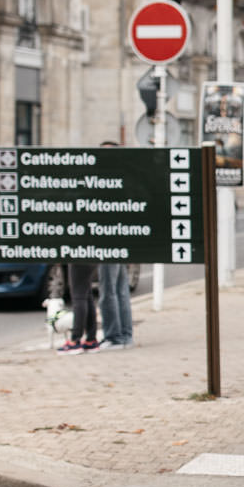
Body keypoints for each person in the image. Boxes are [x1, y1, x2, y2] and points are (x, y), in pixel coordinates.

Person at [96, 140, 134, 349]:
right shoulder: (124, 177)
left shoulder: (108, 180)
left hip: (109, 241)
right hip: (121, 240)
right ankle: (125, 334)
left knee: (109, 290)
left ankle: (114, 336)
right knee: (120, 289)